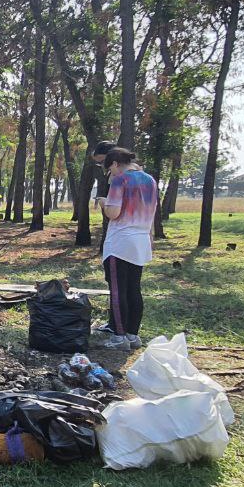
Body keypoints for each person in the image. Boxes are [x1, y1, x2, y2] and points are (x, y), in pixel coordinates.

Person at [97, 148, 157, 350]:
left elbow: (113, 213)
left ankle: (119, 337)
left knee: (118, 290)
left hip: (120, 242)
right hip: (141, 240)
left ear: (114, 164)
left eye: (109, 170)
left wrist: (104, 202)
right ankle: (133, 334)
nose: (111, 174)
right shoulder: (150, 180)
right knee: (134, 288)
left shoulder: (120, 180)